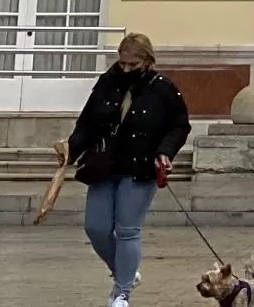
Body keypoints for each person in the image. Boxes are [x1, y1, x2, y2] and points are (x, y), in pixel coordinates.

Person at [61, 31, 190, 307]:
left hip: (140, 168)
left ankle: (121, 293)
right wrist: (70, 150)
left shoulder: (163, 88)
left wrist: (165, 152)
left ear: (148, 61)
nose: (127, 69)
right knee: (95, 228)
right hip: (103, 166)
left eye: (134, 64)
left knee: (127, 230)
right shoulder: (107, 82)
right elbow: (87, 123)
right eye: (123, 63)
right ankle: (126, 273)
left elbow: (180, 126)